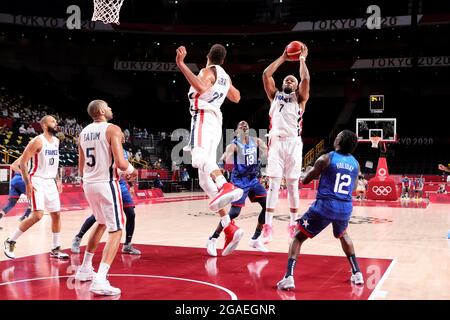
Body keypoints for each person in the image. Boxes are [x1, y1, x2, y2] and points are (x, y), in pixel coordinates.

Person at [277, 130, 364, 290]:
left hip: (325, 205)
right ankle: (357, 273)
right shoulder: (355, 163)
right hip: (345, 206)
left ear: (340, 141)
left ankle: (288, 277)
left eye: (338, 136)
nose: (335, 138)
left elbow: (306, 180)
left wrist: (310, 169)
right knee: (343, 234)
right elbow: (353, 188)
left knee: (298, 237)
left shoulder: (326, 158)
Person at [175, 43, 244, 233]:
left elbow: (201, 87)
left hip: (203, 117)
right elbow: (237, 97)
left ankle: (224, 184)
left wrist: (181, 64)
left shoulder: (207, 71)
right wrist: (224, 87)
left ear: (208, 56)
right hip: (215, 123)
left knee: (198, 157)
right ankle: (229, 226)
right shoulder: (225, 76)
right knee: (205, 181)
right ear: (223, 60)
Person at [75, 100, 137, 296]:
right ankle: (100, 279)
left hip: (89, 183)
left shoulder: (83, 133)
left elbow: (80, 166)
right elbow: (120, 161)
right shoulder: (113, 129)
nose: (111, 109)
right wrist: (132, 170)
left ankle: (85, 269)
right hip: (105, 183)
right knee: (117, 229)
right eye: (108, 106)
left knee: (101, 223)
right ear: (101, 111)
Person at [261, 43, 310, 241]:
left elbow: (305, 78)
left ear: (296, 86)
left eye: (292, 80)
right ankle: (268, 226)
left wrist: (301, 59)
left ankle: (292, 223)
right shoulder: (274, 96)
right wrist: (282, 58)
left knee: (292, 185)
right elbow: (266, 74)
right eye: (286, 79)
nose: (289, 80)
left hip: (293, 144)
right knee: (273, 185)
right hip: (276, 143)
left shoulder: (300, 98)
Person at [4, 115, 68, 260]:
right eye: (53, 121)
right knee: (37, 215)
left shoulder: (56, 141)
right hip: (37, 180)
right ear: (44, 125)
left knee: (56, 214)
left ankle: (56, 249)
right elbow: (23, 163)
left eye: (56, 121)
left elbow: (55, 163)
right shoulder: (37, 141)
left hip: (50, 181)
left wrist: (57, 179)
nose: (56, 123)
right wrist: (28, 183)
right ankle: (10, 240)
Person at [71, 133, 141, 256]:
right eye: (121, 135)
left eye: (124, 136)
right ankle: (78, 237)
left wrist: (130, 183)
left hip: (122, 185)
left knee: (131, 213)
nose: (123, 137)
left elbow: (123, 168)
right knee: (99, 216)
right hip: (109, 183)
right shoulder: (107, 147)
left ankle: (127, 245)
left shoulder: (123, 151)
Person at [206, 121, 269, 257]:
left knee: (267, 205)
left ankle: (256, 238)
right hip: (240, 181)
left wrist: (266, 154)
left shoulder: (256, 141)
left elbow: (268, 151)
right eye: (240, 125)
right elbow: (223, 159)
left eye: (245, 124)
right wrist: (221, 166)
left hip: (253, 180)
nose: (243, 125)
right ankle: (213, 238)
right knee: (234, 212)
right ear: (236, 132)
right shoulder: (234, 145)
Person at [0, 156, 32, 229]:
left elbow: (13, 165)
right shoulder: (33, 155)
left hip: (15, 180)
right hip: (23, 180)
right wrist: (24, 174)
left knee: (11, 204)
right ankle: (24, 217)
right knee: (33, 200)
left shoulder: (24, 154)